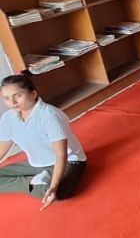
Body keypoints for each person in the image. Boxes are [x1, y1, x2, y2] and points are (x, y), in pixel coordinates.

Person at [0, 72, 87, 207]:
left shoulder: (50, 115)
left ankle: (42, 183)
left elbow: (61, 154)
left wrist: (54, 186)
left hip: (68, 162)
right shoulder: (8, 118)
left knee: (54, 193)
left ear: (33, 94)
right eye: (6, 98)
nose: (12, 102)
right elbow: (3, 146)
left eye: (18, 96)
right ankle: (33, 182)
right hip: (37, 163)